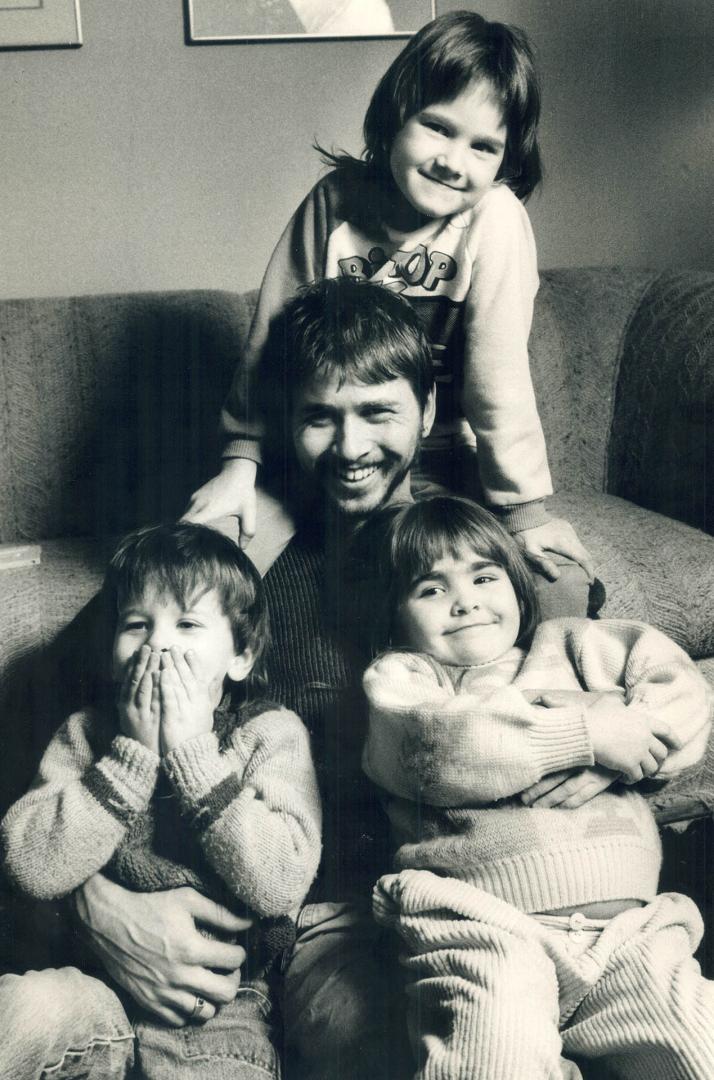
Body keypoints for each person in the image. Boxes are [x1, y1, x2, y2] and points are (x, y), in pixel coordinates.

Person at [184, 9, 595, 604]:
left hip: (442, 458)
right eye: (437, 126)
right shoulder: (335, 201)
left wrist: (526, 511)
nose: (454, 160)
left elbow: (499, 376)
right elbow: (272, 342)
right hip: (324, 452)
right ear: (394, 116)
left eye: (485, 147)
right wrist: (239, 463)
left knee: (560, 586)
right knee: (195, 572)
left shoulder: (496, 220)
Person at [359, 494, 714, 1080]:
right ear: (395, 616)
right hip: (484, 929)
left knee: (700, 1047)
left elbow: (683, 688)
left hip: (631, 937)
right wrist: (584, 733)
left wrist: (625, 738)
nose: (465, 600)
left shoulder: (577, 645)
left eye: (483, 576)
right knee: (494, 1059)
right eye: (431, 589)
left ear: (518, 588)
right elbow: (436, 750)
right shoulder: (406, 679)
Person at [0, 522, 322, 1079]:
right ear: (110, 655)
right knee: (24, 1013)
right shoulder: (85, 734)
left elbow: (282, 880)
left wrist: (195, 753)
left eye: (188, 623)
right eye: (136, 625)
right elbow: (28, 865)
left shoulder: (270, 733)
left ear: (241, 657)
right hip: (90, 985)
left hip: (220, 1010)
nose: (159, 643)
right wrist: (129, 757)